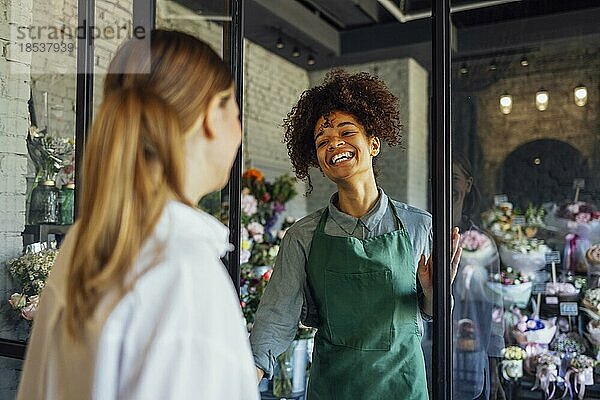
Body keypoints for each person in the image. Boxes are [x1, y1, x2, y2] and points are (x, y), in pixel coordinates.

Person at [17, 30, 259, 400]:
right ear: (213, 114)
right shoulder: (183, 271)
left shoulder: (86, 241)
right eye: (237, 113)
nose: (239, 132)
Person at [249, 69, 461, 399]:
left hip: (402, 388)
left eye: (347, 132)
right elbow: (276, 318)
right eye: (322, 141)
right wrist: (246, 376)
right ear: (318, 160)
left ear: (373, 144)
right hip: (333, 388)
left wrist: (434, 292)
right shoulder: (302, 237)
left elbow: (434, 314)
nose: (334, 143)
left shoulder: (420, 226)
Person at [452, 154, 505, 400]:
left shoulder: (483, 245)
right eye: (438, 177)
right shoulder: (423, 235)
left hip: (471, 357)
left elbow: (496, 311)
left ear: (468, 184)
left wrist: (494, 373)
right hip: (426, 354)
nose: (447, 185)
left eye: (453, 178)